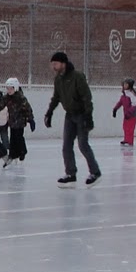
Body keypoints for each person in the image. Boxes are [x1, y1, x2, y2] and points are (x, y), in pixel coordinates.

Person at [44, 50, 100, 186]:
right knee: (66, 146)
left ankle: (95, 172)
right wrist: (49, 112)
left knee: (83, 145)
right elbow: (56, 97)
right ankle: (70, 173)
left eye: (56, 64)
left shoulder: (77, 77)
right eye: (53, 64)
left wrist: (88, 116)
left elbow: (87, 97)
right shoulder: (58, 79)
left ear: (63, 63)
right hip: (69, 115)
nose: (54, 67)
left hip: (81, 115)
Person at [0, 77, 35, 163]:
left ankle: (22, 151)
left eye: (11, 88)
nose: (9, 90)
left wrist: (31, 120)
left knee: (19, 137)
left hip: (20, 121)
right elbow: (0, 106)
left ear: (15, 88)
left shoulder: (21, 98)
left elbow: (28, 109)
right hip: (12, 121)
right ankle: (13, 154)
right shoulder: (6, 98)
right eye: (8, 88)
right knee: (13, 138)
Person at [112, 79, 136, 147]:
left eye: (126, 84)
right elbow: (120, 102)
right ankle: (126, 139)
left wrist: (129, 113)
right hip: (126, 114)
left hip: (132, 114)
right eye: (124, 84)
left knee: (130, 128)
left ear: (130, 85)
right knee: (125, 127)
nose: (125, 85)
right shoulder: (124, 94)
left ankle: (130, 141)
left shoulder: (132, 94)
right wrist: (115, 109)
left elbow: (134, 105)